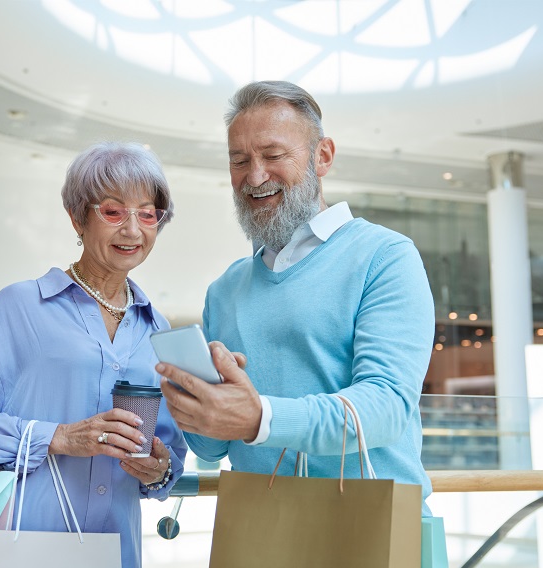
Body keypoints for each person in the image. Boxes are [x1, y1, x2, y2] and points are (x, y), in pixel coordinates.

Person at [0, 141, 187, 568]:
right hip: (21, 559)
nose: (133, 229)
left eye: (148, 215)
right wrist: (61, 438)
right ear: (76, 217)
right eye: (112, 211)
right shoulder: (19, 307)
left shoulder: (158, 329)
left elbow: (170, 452)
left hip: (116, 565)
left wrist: (158, 468)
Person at [157, 81, 436, 512]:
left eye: (273, 156)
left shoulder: (385, 256)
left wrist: (259, 418)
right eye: (239, 160)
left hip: (370, 525)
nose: (254, 176)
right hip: (257, 528)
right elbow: (211, 451)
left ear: (322, 156)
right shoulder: (225, 290)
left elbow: (386, 406)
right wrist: (199, 405)